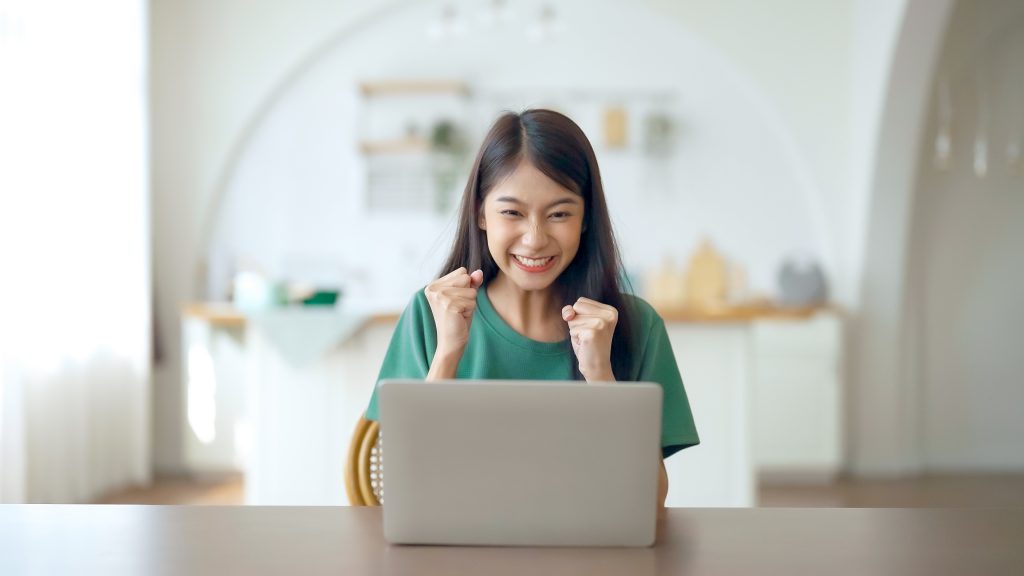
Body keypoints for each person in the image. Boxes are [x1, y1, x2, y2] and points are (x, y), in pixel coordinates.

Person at [363, 109, 699, 511]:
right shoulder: (430, 314)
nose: (535, 239)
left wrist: (601, 377)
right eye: (512, 213)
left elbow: (649, 501)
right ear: (480, 214)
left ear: (586, 218)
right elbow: (403, 487)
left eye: (559, 214)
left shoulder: (636, 326)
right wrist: (448, 354)